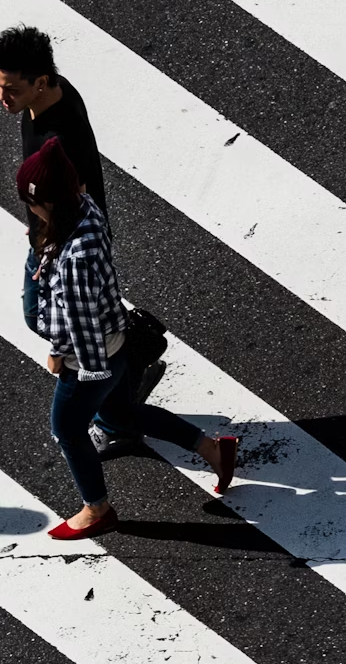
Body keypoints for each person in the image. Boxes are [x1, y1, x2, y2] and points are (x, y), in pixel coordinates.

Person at [19, 138, 237, 539]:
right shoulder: (87, 213)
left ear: (47, 204)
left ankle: (96, 509)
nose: (30, 211)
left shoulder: (75, 259)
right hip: (117, 342)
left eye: (32, 203)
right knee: (121, 415)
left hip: (92, 360)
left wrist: (60, 355)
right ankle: (212, 449)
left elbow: (80, 323)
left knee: (68, 429)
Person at [0, 22, 107, 335]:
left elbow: (76, 200)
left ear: (39, 82)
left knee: (40, 316)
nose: (2, 96)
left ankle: (126, 366)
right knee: (95, 310)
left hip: (59, 243)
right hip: (51, 230)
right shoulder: (57, 91)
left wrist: (49, 240)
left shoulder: (58, 139)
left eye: (12, 89)